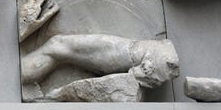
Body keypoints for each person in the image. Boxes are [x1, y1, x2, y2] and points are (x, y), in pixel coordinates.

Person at [20, 34, 179, 89]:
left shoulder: (165, 58)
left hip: (128, 54)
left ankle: (16, 77)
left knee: (58, 46)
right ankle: (17, 77)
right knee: (57, 46)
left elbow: (148, 72)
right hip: (130, 52)